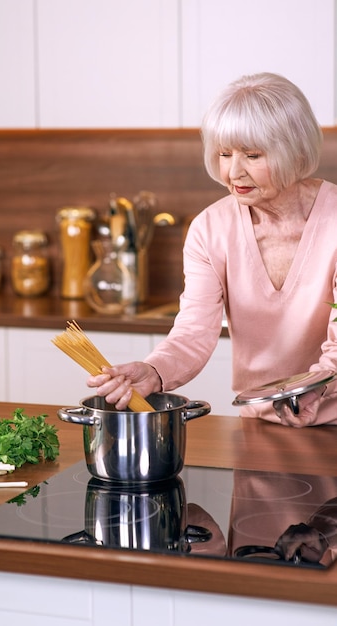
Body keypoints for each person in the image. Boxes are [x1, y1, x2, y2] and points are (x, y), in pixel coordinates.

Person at [87, 72, 337, 427]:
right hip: (260, 422)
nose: (233, 172)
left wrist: (316, 388)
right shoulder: (210, 229)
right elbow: (194, 330)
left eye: (252, 155)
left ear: (295, 152)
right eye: (224, 153)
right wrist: (155, 371)